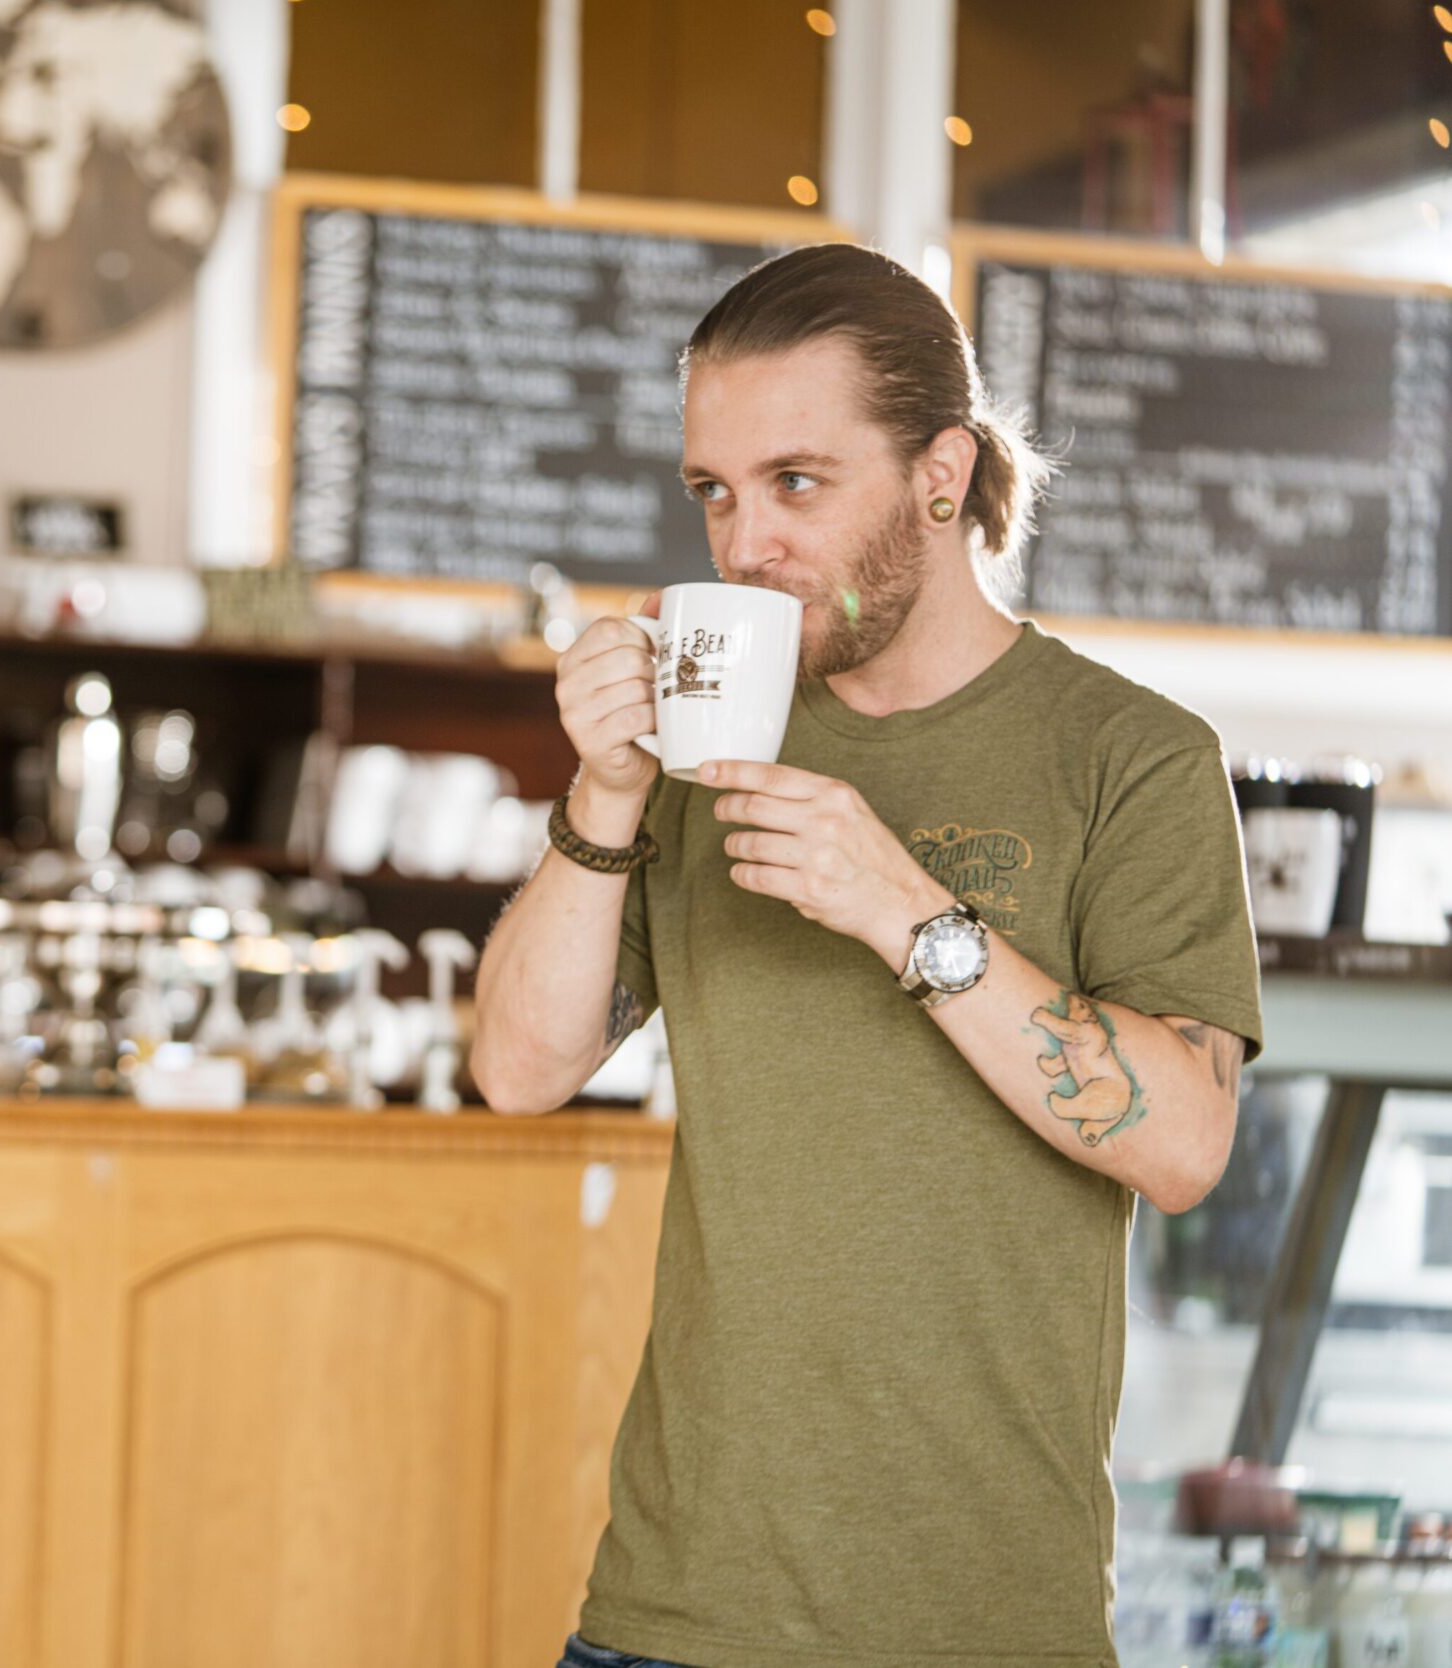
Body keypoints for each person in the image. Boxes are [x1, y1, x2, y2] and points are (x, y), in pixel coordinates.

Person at [470, 243, 1263, 1668]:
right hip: (672, 1615)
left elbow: (1187, 1141)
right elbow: (519, 1072)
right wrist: (600, 796)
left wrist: (906, 911)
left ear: (941, 476)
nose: (743, 545)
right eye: (713, 490)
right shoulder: (706, 743)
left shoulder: (1132, 757)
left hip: (978, 1624)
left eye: (798, 483)